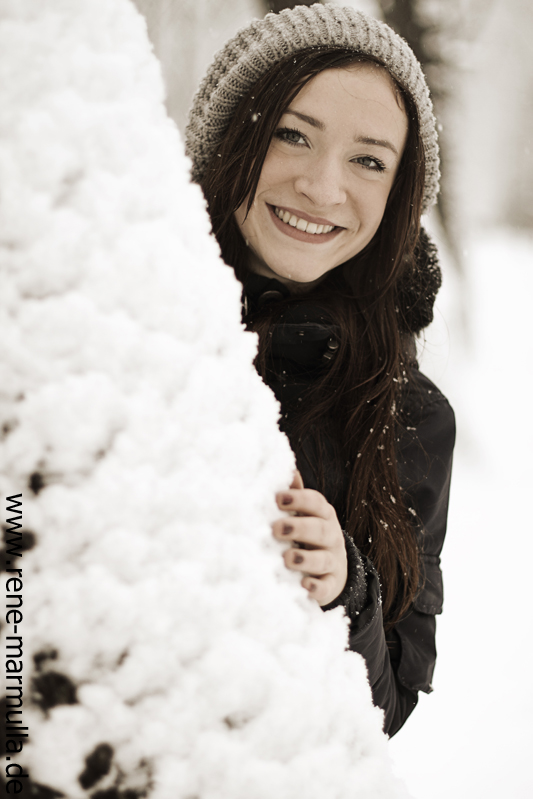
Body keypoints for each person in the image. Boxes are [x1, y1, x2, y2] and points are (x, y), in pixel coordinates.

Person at [185, 4, 455, 737]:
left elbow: (384, 711)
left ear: (397, 195)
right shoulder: (117, 321)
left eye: (368, 160)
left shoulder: (410, 416)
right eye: (291, 135)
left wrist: (346, 592)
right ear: (229, 140)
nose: (322, 186)